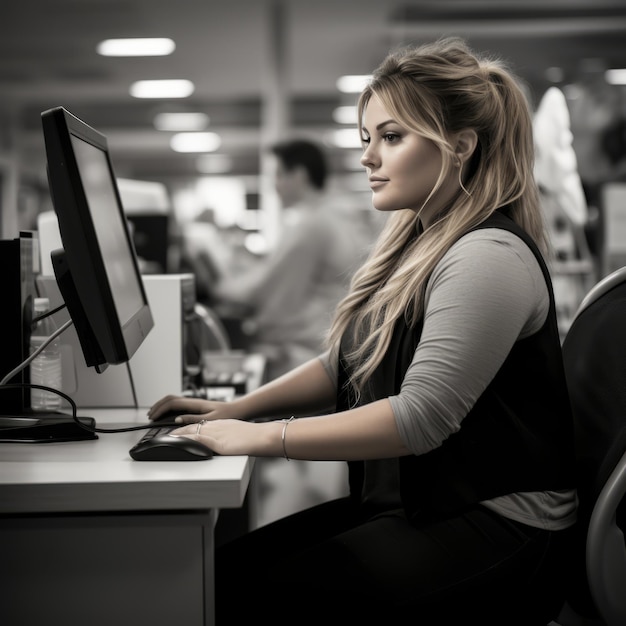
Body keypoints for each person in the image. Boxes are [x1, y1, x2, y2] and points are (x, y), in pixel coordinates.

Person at [148, 37, 577, 625]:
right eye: (366, 140)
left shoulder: (488, 256)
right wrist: (235, 410)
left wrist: (257, 438)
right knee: (216, 580)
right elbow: (346, 363)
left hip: (506, 526)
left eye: (391, 137)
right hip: (432, 503)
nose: (368, 158)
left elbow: (419, 419)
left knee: (246, 599)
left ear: (460, 147)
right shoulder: (421, 243)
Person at [213, 138, 373, 381]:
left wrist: (216, 285)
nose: (274, 186)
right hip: (336, 348)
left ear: (298, 175)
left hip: (307, 356)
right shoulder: (338, 215)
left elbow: (265, 289)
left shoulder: (310, 224)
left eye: (277, 175)